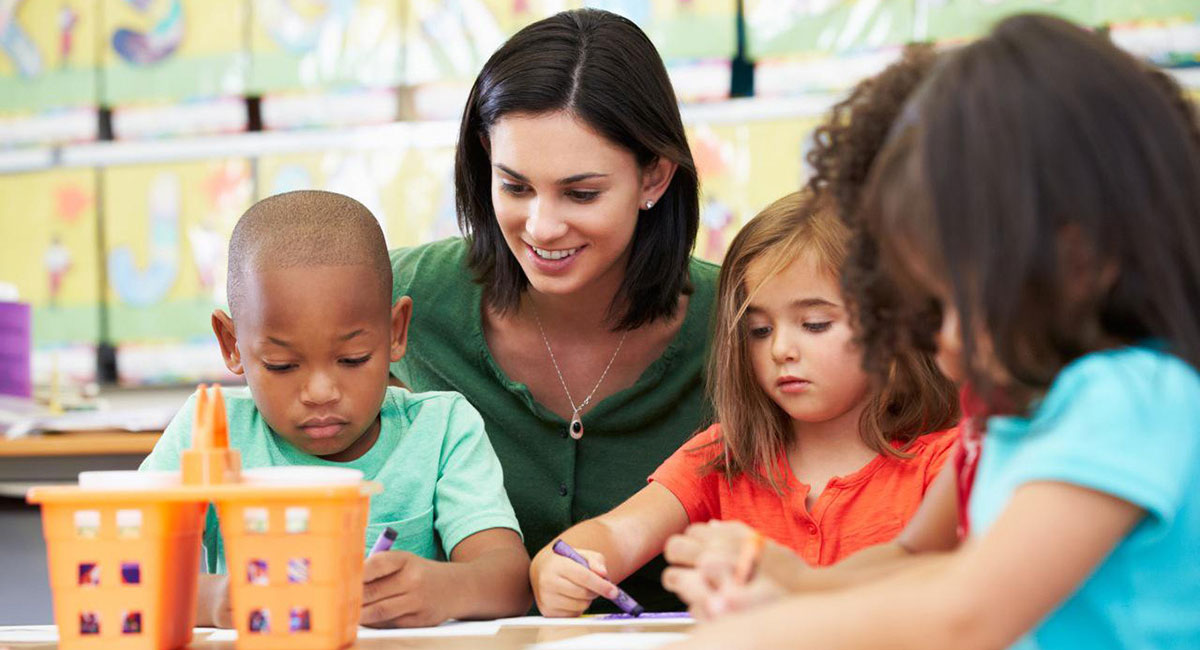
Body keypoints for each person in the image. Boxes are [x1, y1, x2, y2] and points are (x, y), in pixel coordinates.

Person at [663, 14, 1200, 649]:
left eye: (951, 305)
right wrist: (790, 582)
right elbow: (919, 561)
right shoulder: (1012, 414)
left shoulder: (1130, 398)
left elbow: (967, 613)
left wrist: (768, 633)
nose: (942, 349)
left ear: (1073, 260)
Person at [389, 8, 718, 611]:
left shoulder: (744, 319)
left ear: (655, 177)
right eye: (514, 186)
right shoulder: (404, 295)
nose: (541, 226)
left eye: (581, 192)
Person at [530, 190, 959, 616]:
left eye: (814, 324)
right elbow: (616, 534)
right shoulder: (724, 455)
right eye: (758, 330)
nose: (781, 350)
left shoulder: (947, 463)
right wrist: (561, 567)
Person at [141, 190, 531, 628]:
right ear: (232, 345)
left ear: (395, 332)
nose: (321, 392)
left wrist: (446, 589)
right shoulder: (208, 432)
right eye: (282, 365)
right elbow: (124, 571)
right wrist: (213, 600)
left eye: (353, 359)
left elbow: (512, 580)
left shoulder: (442, 429)